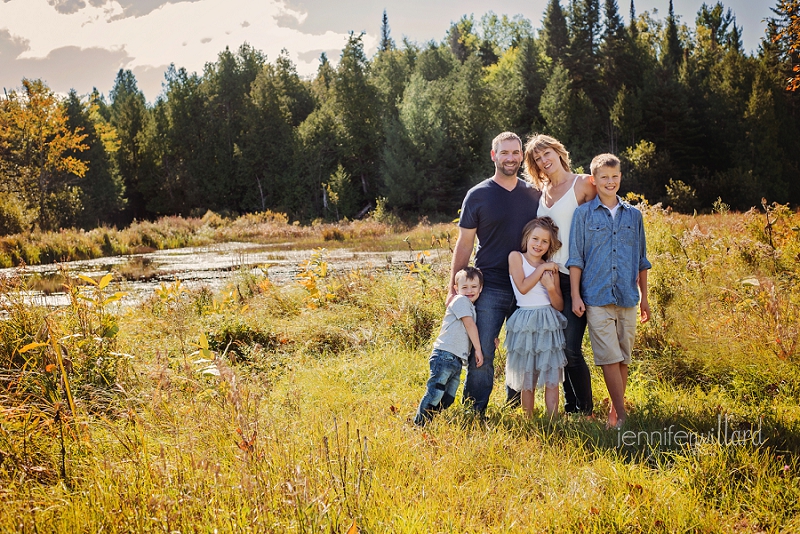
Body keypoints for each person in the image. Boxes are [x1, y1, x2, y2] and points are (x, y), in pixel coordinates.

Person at [449, 131, 541, 415]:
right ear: (494, 156)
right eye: (505, 153)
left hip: (526, 287)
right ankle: (474, 410)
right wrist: (454, 290)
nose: (510, 158)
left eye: (515, 153)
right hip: (489, 286)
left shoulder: (533, 194)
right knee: (483, 351)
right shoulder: (477, 195)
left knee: (521, 350)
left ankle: (515, 408)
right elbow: (464, 243)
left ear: (521, 156)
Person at [566, 153, 651, 429]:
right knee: (608, 357)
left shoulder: (634, 215)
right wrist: (576, 295)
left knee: (623, 356)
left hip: (627, 296)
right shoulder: (583, 215)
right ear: (594, 180)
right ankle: (623, 415)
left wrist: (645, 299)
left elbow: (642, 259)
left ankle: (614, 414)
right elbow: (576, 258)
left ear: (620, 178)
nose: (610, 182)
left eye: (615, 177)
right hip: (596, 296)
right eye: (604, 177)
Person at [519, 134, 596, 416]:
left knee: (572, 348)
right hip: (550, 279)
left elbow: (609, 215)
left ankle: (585, 411)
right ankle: (570, 407)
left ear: (558, 151)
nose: (544, 160)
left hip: (579, 277)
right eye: (537, 158)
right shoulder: (542, 192)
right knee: (559, 348)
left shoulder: (584, 183)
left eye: (546, 153)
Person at [504, 217, 568, 418]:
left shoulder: (552, 267)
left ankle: (553, 419)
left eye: (544, 241)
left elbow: (559, 305)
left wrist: (550, 287)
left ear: (550, 245)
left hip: (547, 320)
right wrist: (541, 269)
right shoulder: (516, 257)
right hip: (525, 320)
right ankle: (528, 418)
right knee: (527, 374)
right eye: (535, 239)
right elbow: (522, 288)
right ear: (527, 238)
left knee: (551, 374)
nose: (539, 244)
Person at [414, 267, 484, 426]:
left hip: (457, 360)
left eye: (474, 287)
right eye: (464, 287)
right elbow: (470, 325)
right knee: (435, 392)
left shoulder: (471, 306)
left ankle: (431, 419)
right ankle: (419, 424)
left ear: (481, 288)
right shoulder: (460, 301)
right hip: (444, 355)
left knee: (448, 398)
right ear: (456, 289)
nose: (469, 291)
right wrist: (478, 349)